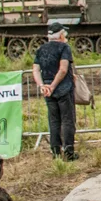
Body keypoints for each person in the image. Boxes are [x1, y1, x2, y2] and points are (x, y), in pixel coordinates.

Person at [32, 22, 76, 159]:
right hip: (63, 88)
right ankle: (69, 151)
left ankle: (55, 151)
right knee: (67, 120)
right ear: (61, 35)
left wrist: (42, 86)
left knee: (54, 120)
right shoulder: (64, 48)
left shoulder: (41, 49)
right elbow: (63, 69)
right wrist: (53, 85)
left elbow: (36, 70)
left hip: (48, 91)